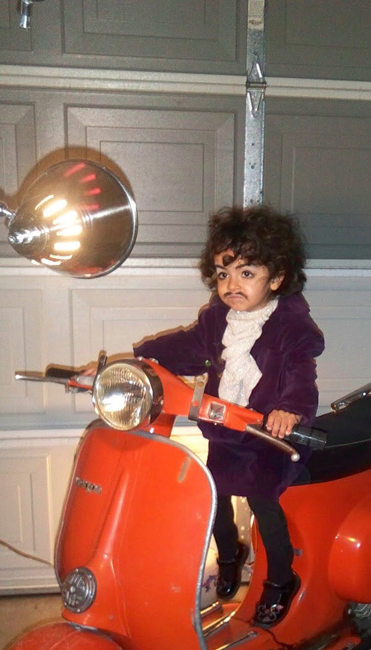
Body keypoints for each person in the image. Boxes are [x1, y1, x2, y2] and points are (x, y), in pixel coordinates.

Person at [94, 206, 324, 626]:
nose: (232, 284)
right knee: (212, 495)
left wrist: (290, 409)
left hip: (269, 439)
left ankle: (279, 579)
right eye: (223, 273)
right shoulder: (217, 318)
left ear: (277, 278)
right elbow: (187, 346)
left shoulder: (292, 326)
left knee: (264, 503)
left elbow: (300, 376)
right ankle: (231, 552)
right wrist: (140, 359)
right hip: (227, 433)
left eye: (247, 273)